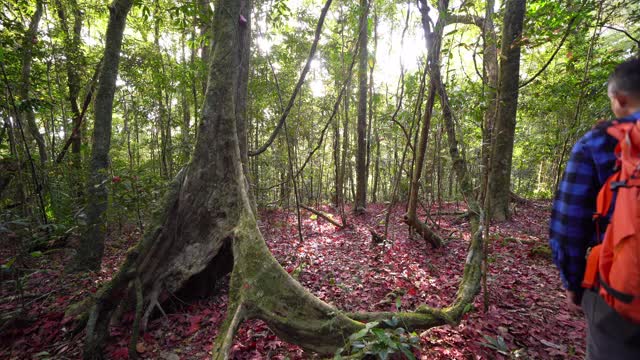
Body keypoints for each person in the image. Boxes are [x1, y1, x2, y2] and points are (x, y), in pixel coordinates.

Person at [549, 57, 640, 360]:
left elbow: (568, 226)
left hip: (620, 290)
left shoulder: (600, 142)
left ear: (620, 98)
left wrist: (573, 284)